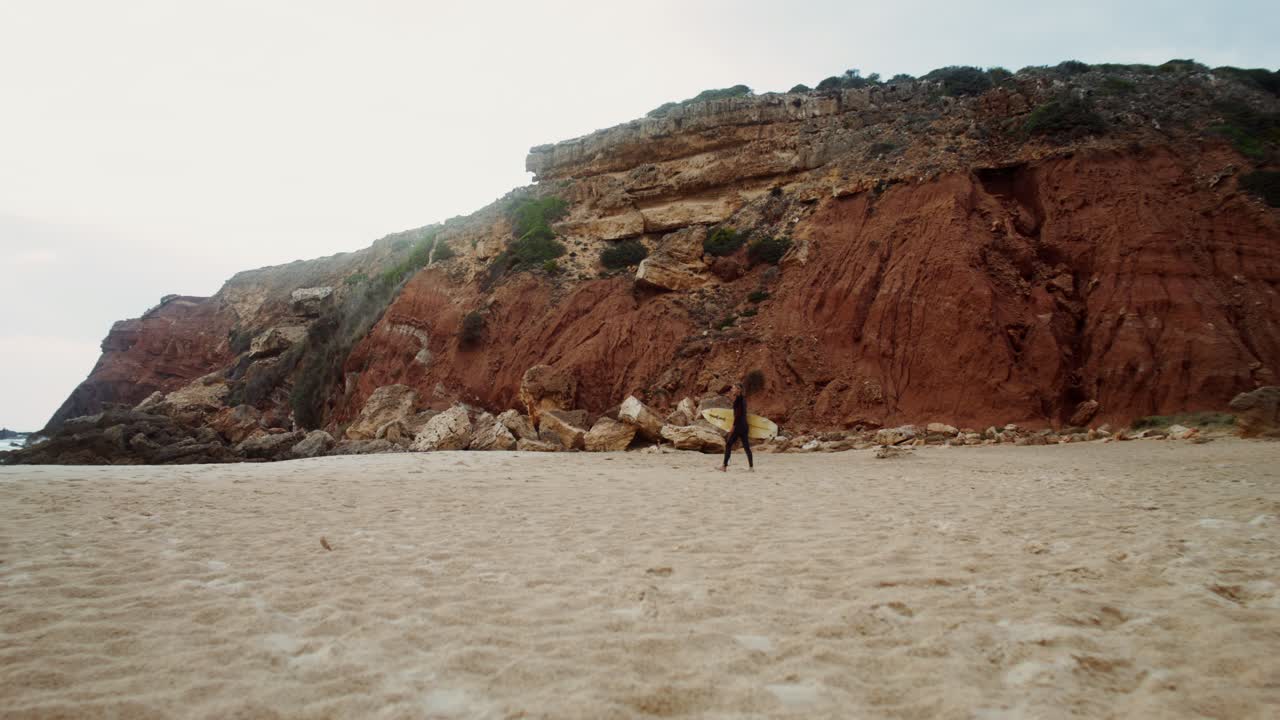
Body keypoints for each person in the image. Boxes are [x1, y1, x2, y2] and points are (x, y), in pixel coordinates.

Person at [716, 383, 753, 472]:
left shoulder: (738, 401)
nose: (733, 389)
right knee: (746, 447)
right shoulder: (742, 400)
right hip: (744, 426)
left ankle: (724, 467)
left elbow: (738, 415)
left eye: (735, 388)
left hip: (739, 426)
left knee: (728, 445)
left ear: (739, 390)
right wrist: (729, 387)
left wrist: (733, 426)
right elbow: (721, 392)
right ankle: (751, 467)